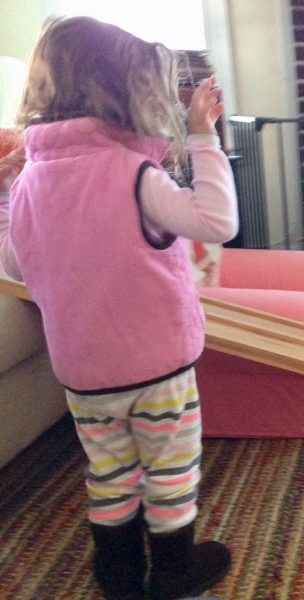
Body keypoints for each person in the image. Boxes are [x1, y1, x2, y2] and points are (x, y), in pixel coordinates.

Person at [0, 16, 238, 600]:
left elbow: (15, 266)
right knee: (171, 469)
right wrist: (204, 138)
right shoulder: (134, 173)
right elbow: (216, 222)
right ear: (128, 96)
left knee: (108, 472)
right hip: (159, 366)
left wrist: (6, 196)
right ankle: (175, 571)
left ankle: (120, 573)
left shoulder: (32, 179)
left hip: (84, 373)